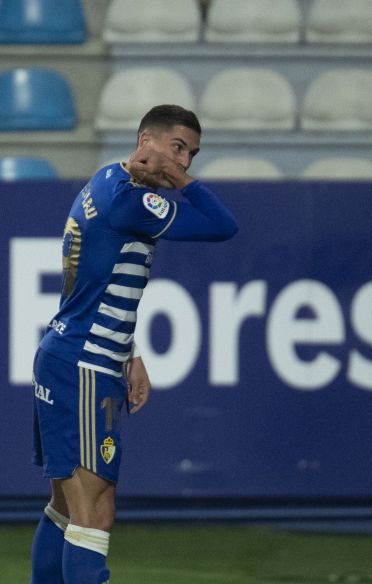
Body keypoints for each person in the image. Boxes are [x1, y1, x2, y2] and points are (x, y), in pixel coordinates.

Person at [29, 104, 238, 584]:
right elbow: (223, 225)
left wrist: (133, 352)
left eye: (191, 155)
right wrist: (181, 183)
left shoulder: (106, 179)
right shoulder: (133, 202)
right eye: (177, 148)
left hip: (69, 354)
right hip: (84, 365)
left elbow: (95, 284)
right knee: (94, 512)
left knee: (66, 508)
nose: (184, 163)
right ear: (146, 140)